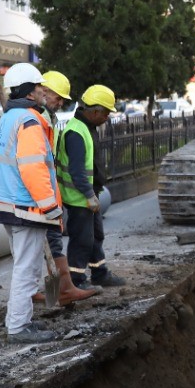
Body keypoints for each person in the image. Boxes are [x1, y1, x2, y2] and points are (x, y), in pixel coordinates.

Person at [0, 63, 70, 343]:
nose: (43, 92)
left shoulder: (11, 118)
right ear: (30, 93)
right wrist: (50, 207)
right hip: (26, 207)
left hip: (9, 204)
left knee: (27, 266)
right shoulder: (30, 122)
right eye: (39, 88)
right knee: (26, 268)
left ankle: (21, 322)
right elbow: (33, 169)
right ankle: (19, 328)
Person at [28, 69, 97, 309]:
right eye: (59, 98)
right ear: (45, 92)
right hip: (39, 191)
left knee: (46, 243)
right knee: (50, 242)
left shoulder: (49, 118)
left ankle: (51, 294)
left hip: (47, 188)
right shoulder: (36, 119)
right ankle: (61, 291)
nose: (61, 103)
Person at [58, 84, 128, 289]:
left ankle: (100, 273)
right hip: (79, 198)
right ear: (95, 111)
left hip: (89, 195)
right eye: (106, 112)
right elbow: (77, 171)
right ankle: (77, 281)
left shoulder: (88, 128)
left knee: (96, 236)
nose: (107, 117)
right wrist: (88, 195)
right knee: (82, 240)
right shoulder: (76, 133)